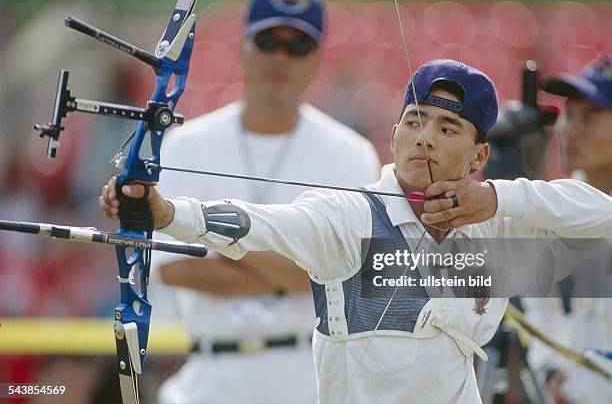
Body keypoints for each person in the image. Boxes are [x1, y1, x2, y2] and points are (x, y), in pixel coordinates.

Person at [100, 59, 612, 404]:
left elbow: (602, 216)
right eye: (414, 120)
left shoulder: (496, 226)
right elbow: (257, 223)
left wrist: (499, 196)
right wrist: (165, 212)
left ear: (480, 155)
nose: (425, 138)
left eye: (448, 129)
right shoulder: (350, 219)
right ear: (392, 136)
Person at [141, 0, 380, 403]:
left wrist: (215, 243)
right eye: (268, 41)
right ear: (243, 46)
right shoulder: (185, 145)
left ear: (317, 58)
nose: (280, 57)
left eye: (297, 46)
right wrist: (301, 265)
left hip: (312, 377)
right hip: (209, 376)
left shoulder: (352, 154)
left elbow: (351, 276)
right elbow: (174, 269)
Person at [521, 54, 612, 404]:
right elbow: (538, 304)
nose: (568, 130)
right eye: (568, 115)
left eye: (589, 118)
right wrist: (551, 371)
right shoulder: (552, 211)